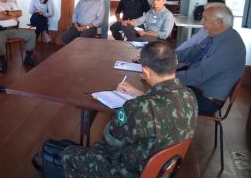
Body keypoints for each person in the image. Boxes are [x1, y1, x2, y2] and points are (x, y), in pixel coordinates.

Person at [62, 41, 198, 177]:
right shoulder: (189, 95)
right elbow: (164, 101)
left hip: (130, 170)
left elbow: (111, 136)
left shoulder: (138, 107)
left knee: (69, 154)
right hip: (161, 169)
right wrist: (137, 92)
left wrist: (126, 110)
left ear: (146, 71)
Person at [176, 3, 245, 115]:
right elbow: (191, 52)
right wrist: (164, 57)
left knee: (157, 96)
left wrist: (166, 78)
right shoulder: (216, 37)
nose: (201, 22)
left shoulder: (230, 46)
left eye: (205, 19)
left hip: (205, 99)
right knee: (156, 87)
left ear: (218, 22)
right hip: (196, 88)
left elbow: (199, 75)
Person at [0, 0, 37, 73]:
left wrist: (7, 12)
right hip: (1, 31)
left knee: (32, 34)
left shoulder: (11, 2)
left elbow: (19, 13)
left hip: (14, 30)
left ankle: (27, 58)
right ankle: (3, 63)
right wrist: (12, 15)